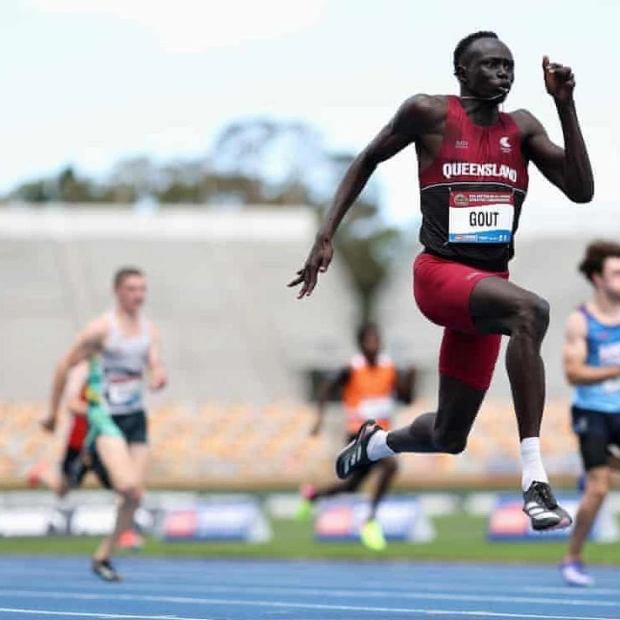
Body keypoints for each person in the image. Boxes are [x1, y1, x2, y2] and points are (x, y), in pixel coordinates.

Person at [289, 31, 593, 530]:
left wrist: (566, 106)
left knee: (450, 435)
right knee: (531, 311)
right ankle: (535, 481)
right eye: (491, 65)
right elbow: (367, 158)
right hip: (440, 276)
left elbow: (580, 190)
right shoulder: (428, 113)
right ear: (462, 72)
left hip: (487, 286)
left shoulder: (523, 128)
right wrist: (326, 234)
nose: (503, 74)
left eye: (509, 66)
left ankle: (376, 442)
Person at [42, 267, 167, 581]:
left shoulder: (149, 330)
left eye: (142, 289)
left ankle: (103, 557)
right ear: (117, 292)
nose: (139, 295)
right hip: (105, 415)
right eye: (132, 289)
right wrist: (53, 412)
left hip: (135, 417)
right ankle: (93, 457)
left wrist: (158, 375)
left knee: (135, 495)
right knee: (125, 485)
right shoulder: (100, 329)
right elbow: (63, 365)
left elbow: (153, 360)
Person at [296, 323, 416, 550]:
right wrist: (319, 417)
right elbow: (326, 388)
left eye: (377, 340)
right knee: (391, 467)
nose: (374, 345)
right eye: (369, 341)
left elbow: (406, 399)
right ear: (361, 344)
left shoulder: (389, 368)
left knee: (351, 487)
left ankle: (312, 496)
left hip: (381, 434)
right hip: (357, 434)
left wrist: (410, 379)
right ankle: (370, 521)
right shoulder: (351, 368)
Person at [560, 241, 620, 586]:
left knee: (602, 475)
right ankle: (572, 558)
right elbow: (574, 372)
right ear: (598, 278)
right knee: (598, 490)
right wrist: (614, 370)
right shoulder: (581, 321)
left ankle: (604, 462)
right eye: (616, 273)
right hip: (592, 411)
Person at [33, 362, 141, 550]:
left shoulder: (116, 367)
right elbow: (72, 404)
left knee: (122, 485)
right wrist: (98, 411)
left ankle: (125, 531)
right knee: (62, 490)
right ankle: (43, 473)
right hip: (80, 441)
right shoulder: (82, 370)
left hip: (105, 440)